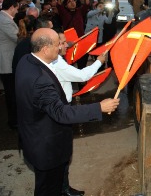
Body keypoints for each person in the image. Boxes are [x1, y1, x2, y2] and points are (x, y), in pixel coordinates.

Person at [15, 28, 119, 196]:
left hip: (33, 135)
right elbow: (61, 113)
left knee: (45, 185)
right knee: (49, 188)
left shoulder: (26, 60)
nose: (61, 48)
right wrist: (99, 107)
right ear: (45, 49)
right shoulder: (40, 80)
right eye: (58, 45)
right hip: (46, 146)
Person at [53, 31, 106, 196]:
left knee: (64, 154)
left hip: (62, 106)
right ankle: (63, 190)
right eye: (61, 42)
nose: (66, 44)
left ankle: (64, 188)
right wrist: (99, 62)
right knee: (62, 154)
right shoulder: (57, 63)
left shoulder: (57, 59)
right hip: (62, 108)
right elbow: (83, 76)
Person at [0, 0, 19, 129]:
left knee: (11, 91)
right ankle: (14, 120)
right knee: (11, 92)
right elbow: (17, 38)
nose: (17, 11)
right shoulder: (5, 21)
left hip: (4, 58)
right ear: (12, 7)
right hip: (6, 60)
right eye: (17, 8)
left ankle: (14, 118)